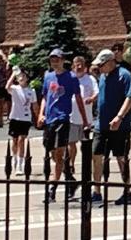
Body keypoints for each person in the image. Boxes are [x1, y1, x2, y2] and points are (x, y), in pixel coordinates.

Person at [36, 48, 89, 202]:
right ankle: (71, 180)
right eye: (52, 59)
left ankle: (52, 189)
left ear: (63, 60)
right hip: (50, 120)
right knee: (52, 153)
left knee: (59, 155)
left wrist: (85, 120)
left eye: (57, 59)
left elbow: (78, 98)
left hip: (62, 119)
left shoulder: (71, 77)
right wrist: (41, 114)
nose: (55, 62)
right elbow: (45, 97)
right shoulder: (48, 76)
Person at [89, 48, 131, 207]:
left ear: (110, 62)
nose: (99, 68)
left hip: (119, 127)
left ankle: (127, 192)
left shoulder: (124, 75)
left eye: (101, 65)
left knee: (121, 158)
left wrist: (119, 117)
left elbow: (129, 98)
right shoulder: (103, 76)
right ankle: (96, 192)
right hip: (101, 125)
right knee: (96, 155)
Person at [66, 55, 98, 191]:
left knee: (85, 146)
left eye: (80, 64)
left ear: (85, 66)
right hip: (72, 117)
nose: (78, 67)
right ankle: (71, 165)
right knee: (71, 143)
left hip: (86, 119)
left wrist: (92, 98)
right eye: (76, 64)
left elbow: (97, 92)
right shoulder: (70, 78)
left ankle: (86, 168)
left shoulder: (90, 79)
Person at [6, 67, 37, 170]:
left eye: (23, 76)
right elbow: (7, 86)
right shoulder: (15, 88)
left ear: (27, 78)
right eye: (20, 76)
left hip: (25, 118)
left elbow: (35, 105)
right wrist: (13, 74)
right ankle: (14, 158)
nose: (21, 78)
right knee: (14, 140)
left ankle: (20, 163)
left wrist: (38, 117)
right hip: (14, 117)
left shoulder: (31, 91)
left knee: (21, 140)